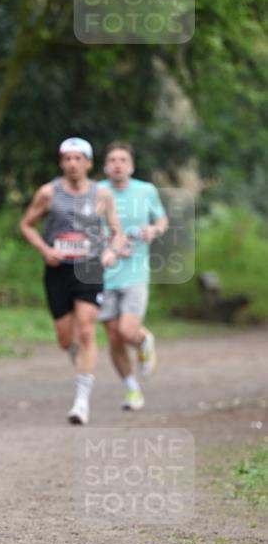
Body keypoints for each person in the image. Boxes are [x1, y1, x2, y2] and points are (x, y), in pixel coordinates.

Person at [20, 137, 123, 425]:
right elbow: (26, 225)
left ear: (88, 163)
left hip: (90, 267)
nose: (72, 164)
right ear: (61, 162)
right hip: (58, 270)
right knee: (67, 339)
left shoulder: (102, 194)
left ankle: (81, 401)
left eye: (78, 158)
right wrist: (45, 249)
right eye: (67, 159)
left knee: (87, 331)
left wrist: (112, 252)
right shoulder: (48, 193)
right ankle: (80, 363)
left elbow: (117, 232)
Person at [98, 141, 168, 410]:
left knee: (127, 331)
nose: (117, 164)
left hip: (135, 273)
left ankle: (143, 340)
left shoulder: (146, 190)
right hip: (103, 274)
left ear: (131, 165)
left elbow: (161, 220)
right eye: (112, 160)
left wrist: (155, 230)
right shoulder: (97, 191)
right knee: (113, 337)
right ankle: (132, 390)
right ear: (105, 165)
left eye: (123, 160)